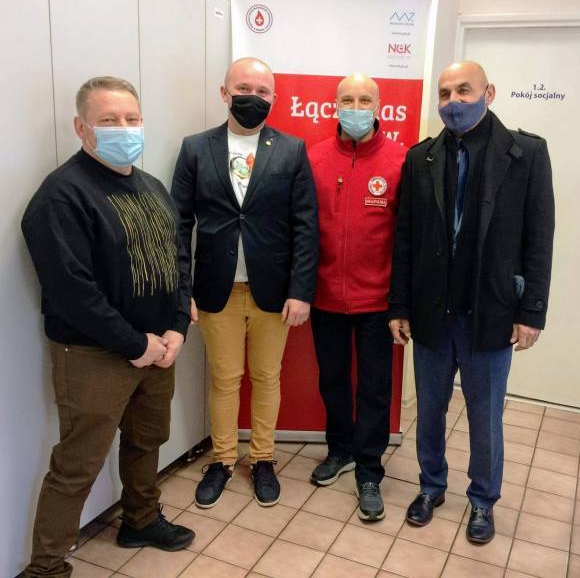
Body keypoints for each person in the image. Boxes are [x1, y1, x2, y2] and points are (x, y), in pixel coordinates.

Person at [21, 76, 196, 578]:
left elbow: (178, 260)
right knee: (77, 465)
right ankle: (46, 568)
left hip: (159, 349)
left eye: (131, 118)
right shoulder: (61, 196)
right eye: (109, 120)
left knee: (147, 441)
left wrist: (177, 327)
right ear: (82, 128)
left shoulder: (152, 187)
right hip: (94, 354)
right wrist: (133, 342)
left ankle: (140, 520)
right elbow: (71, 290)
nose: (124, 128)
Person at [389, 61, 555, 543]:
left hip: (491, 313)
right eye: (444, 93)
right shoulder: (421, 158)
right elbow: (405, 239)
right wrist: (399, 305)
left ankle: (483, 499)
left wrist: (532, 313)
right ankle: (431, 486)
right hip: (432, 313)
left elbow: (539, 239)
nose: (453, 101)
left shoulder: (526, 154)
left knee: (485, 416)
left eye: (464, 90)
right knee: (430, 410)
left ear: (489, 93)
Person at [171, 57, 319, 509]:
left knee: (267, 377)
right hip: (217, 289)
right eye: (243, 89)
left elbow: (306, 225)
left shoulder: (291, 150)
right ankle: (221, 460)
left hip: (273, 290)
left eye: (262, 91)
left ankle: (262, 459)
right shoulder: (196, 148)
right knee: (224, 378)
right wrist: (182, 291)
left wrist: (301, 290)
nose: (252, 97)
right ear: (224, 93)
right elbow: (178, 224)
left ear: (274, 98)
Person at [308, 73, 406, 521]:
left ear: (378, 106)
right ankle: (340, 449)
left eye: (365, 99)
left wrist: (401, 301)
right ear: (335, 105)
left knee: (374, 388)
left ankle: (369, 470)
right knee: (332, 380)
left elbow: (408, 238)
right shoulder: (313, 159)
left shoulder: (401, 160)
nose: (356, 107)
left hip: (377, 302)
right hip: (324, 296)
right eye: (347, 99)